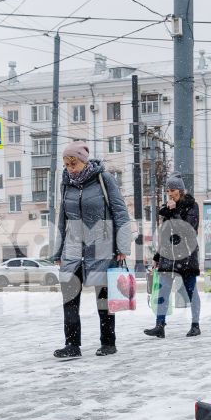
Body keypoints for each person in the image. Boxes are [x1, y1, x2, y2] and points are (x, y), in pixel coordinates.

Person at [51, 142, 129, 359]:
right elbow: (62, 217)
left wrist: (122, 246)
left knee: (103, 297)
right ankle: (72, 344)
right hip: (73, 244)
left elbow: (120, 212)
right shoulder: (66, 183)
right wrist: (58, 250)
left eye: (73, 163)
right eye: (66, 164)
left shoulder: (103, 179)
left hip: (101, 241)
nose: (69, 168)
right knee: (69, 296)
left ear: (83, 161)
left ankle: (108, 342)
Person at [145, 178, 200, 339]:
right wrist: (157, 256)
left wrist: (175, 211)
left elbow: (188, 229)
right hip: (168, 255)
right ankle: (159, 325)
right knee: (163, 290)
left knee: (191, 291)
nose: (169, 194)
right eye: (168, 191)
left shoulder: (192, 206)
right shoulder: (167, 209)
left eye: (172, 190)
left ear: (180, 191)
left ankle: (195, 325)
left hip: (187, 255)